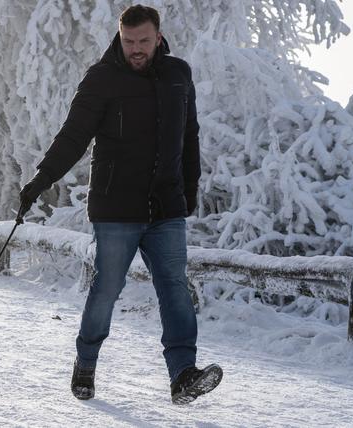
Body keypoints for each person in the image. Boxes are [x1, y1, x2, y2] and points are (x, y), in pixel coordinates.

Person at [18, 5, 221, 405]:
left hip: (166, 206)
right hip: (116, 209)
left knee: (175, 289)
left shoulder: (178, 75)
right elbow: (73, 136)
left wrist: (190, 189)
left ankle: (183, 374)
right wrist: (41, 180)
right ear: (120, 37)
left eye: (144, 41)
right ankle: (86, 362)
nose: (136, 49)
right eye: (129, 42)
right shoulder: (102, 78)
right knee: (107, 288)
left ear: (158, 36)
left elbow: (189, 136)